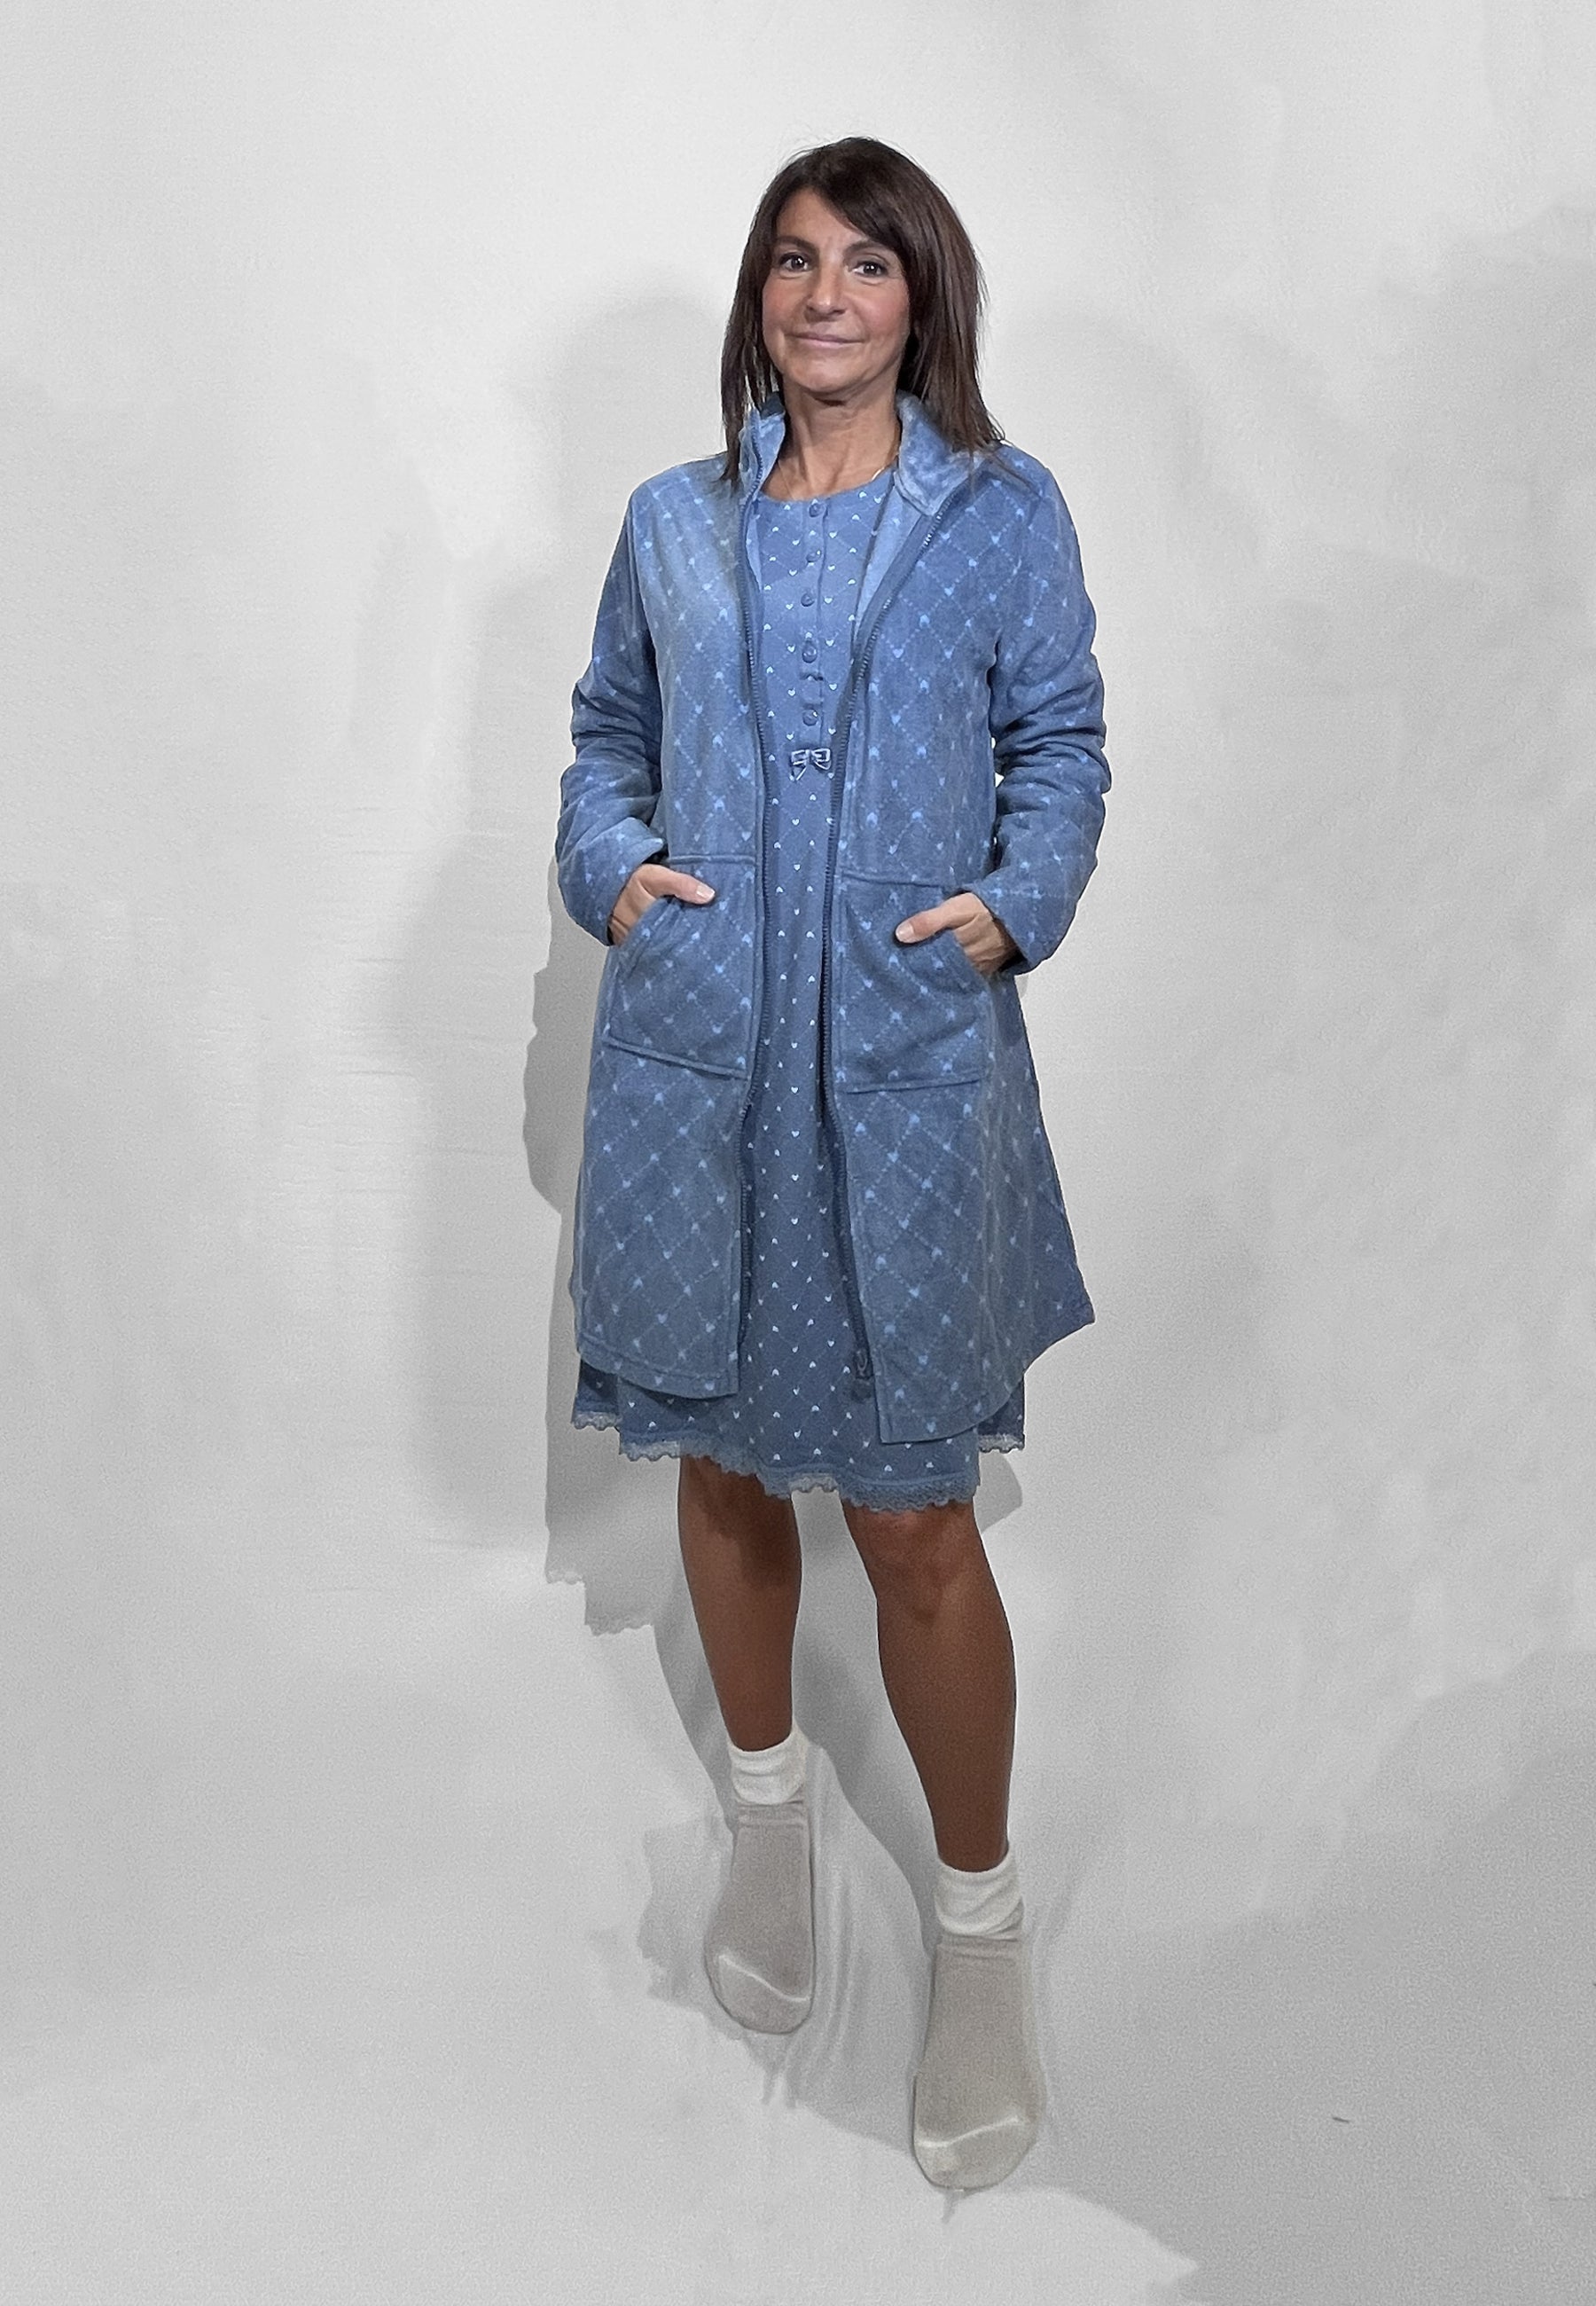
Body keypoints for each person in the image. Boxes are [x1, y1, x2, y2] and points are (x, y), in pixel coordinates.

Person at [554, 136, 1109, 2191]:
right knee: (718, 1468)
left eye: (867, 263)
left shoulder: (1000, 512)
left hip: (902, 1066)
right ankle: (772, 1816)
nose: (823, 296)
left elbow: (1064, 741)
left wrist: (1017, 899)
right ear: (759, 296)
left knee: (915, 1519)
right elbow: (603, 740)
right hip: (703, 1069)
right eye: (793, 261)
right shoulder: (671, 524)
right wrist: (619, 872)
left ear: (921, 297)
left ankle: (980, 1922)